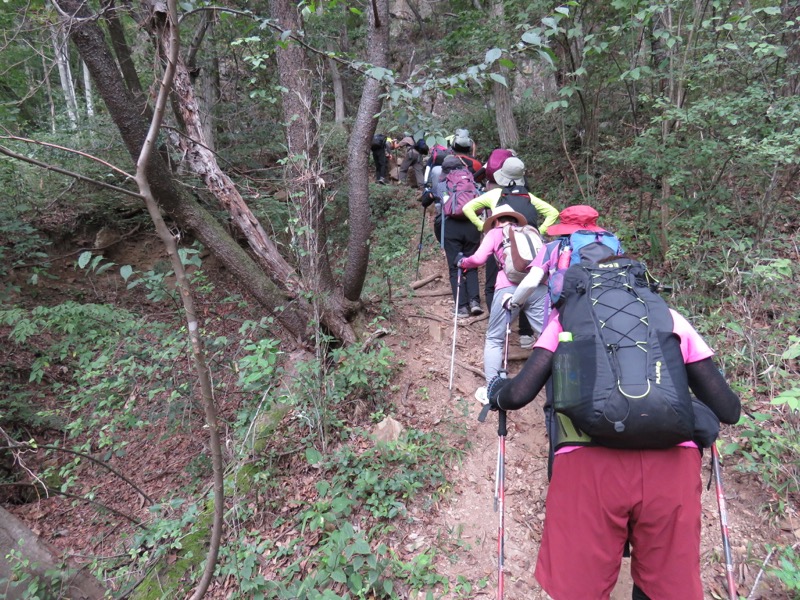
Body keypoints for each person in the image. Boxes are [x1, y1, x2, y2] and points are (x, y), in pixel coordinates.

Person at [485, 267, 741, 600]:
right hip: (671, 465)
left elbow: (520, 394)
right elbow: (729, 409)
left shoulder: (567, 319)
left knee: (580, 590)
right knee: (664, 586)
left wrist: (497, 391)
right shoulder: (669, 317)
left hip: (588, 466)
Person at [462, 156, 559, 348]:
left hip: (501, 248)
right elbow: (553, 212)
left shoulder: (495, 194)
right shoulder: (529, 197)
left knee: (492, 286)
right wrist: (540, 232)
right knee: (529, 286)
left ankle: (498, 326)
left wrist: (483, 226)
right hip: (531, 250)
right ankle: (525, 335)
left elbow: (467, 207)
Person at [457, 205, 547, 383]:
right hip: (538, 286)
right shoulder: (531, 231)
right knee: (546, 336)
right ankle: (557, 381)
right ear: (514, 219)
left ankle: (492, 387)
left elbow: (478, 259)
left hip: (510, 287)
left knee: (494, 338)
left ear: (496, 220)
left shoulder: (495, 233)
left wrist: (462, 262)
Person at [421, 155, 483, 318]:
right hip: (472, 225)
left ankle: (462, 307)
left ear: (445, 170)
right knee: (471, 264)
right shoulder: (472, 182)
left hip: (451, 227)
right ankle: (475, 302)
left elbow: (425, 201)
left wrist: (430, 194)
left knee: (455, 267)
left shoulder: (442, 184)